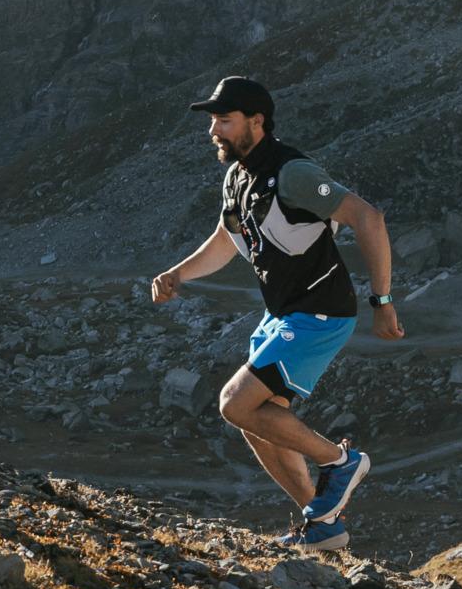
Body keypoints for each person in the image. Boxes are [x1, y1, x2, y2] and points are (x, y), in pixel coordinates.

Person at [152, 73, 400, 547]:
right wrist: (177, 274)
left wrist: (382, 301)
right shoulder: (237, 177)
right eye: (212, 122)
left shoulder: (293, 173)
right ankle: (322, 526)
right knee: (260, 421)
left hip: (321, 312)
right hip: (283, 314)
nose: (213, 131)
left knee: (234, 404)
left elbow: (368, 217)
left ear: (257, 121)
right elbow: (227, 241)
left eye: (223, 120)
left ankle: (342, 461)